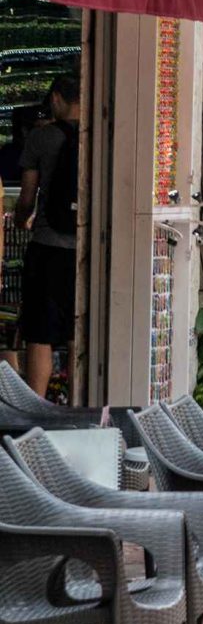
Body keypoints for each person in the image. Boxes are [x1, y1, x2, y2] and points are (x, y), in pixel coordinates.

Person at [11, 76, 80, 397]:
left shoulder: (42, 138)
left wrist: (22, 221)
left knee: (40, 332)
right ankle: (81, 404)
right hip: (84, 251)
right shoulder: (101, 137)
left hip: (48, 246)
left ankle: (37, 408)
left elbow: (26, 197)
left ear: (55, 99)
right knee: (76, 328)